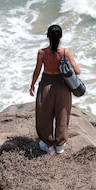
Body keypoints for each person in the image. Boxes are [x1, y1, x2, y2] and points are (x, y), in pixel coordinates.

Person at [30, 24, 81, 154]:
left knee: (44, 115)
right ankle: (59, 145)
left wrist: (32, 85)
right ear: (61, 36)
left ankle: (48, 144)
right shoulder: (65, 52)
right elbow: (77, 71)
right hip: (62, 86)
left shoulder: (42, 53)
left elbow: (37, 71)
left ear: (48, 36)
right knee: (62, 114)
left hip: (46, 84)